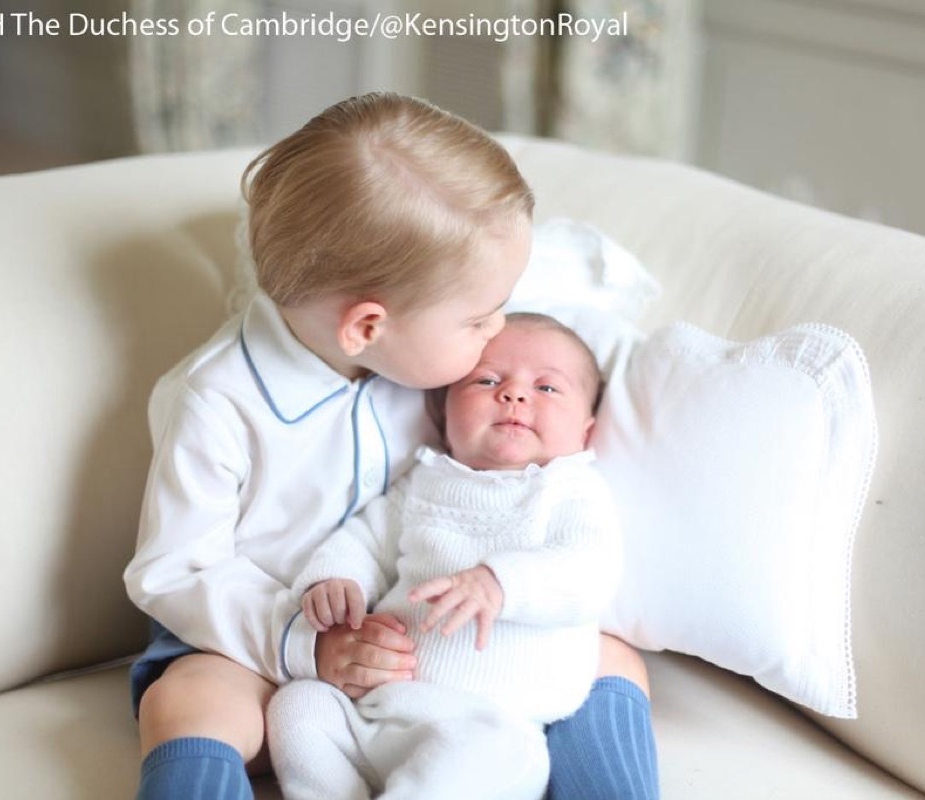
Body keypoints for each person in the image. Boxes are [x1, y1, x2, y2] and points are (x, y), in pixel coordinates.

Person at [123, 91, 659, 800]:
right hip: (263, 644)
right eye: (479, 319)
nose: (495, 331)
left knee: (612, 658)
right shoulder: (217, 401)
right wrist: (307, 644)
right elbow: (173, 572)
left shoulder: (432, 358)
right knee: (188, 698)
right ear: (367, 327)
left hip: (439, 643)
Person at [267, 313, 621, 799]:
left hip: (492, 723)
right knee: (299, 705)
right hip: (378, 709)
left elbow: (591, 572)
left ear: (586, 431)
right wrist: (334, 579)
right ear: (444, 410)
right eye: (488, 380)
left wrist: (500, 583)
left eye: (548, 388)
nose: (514, 395)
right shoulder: (426, 481)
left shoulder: (572, 491)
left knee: (496, 757)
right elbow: (366, 539)